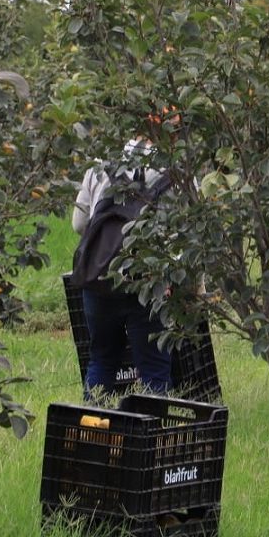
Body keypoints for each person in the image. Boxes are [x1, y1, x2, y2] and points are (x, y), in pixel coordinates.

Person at [71, 134, 172, 401]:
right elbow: (183, 235)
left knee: (101, 359)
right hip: (148, 283)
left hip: (99, 279)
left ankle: (90, 432)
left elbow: (79, 224)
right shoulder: (173, 166)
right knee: (154, 370)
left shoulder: (100, 162)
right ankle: (151, 437)